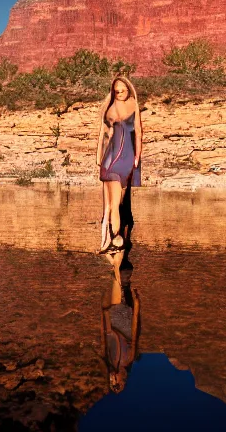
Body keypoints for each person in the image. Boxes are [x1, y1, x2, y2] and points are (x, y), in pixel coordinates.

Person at [96, 76, 142, 253]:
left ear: (128, 89)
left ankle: (115, 239)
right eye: (117, 91)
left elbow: (138, 132)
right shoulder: (110, 110)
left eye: (123, 90)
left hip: (127, 156)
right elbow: (104, 133)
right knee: (112, 203)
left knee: (119, 201)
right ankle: (113, 239)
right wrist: (98, 155)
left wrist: (137, 155)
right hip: (112, 157)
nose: (120, 93)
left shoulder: (134, 104)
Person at [100, 253, 140, 394]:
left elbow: (107, 336)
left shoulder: (112, 361)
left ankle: (116, 261)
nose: (113, 378)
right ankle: (117, 261)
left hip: (117, 322)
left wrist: (105, 318)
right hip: (123, 324)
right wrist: (136, 308)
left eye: (112, 382)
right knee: (121, 292)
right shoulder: (128, 359)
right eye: (116, 382)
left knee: (119, 291)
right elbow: (134, 338)